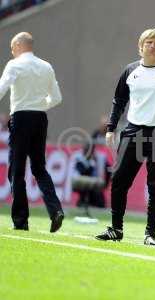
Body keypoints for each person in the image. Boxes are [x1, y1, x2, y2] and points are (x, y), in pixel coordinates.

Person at [95, 28, 155, 246]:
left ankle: (150, 234)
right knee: (118, 180)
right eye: (149, 42)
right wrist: (111, 127)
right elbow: (119, 100)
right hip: (133, 131)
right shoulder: (130, 71)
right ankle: (116, 229)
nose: (153, 45)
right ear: (141, 46)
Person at [0, 32, 64, 232]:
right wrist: (39, 105)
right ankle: (55, 210)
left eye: (12, 47)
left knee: (17, 170)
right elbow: (56, 98)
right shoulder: (46, 66)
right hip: (40, 118)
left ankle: (21, 221)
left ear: (19, 45)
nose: (12, 52)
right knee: (39, 167)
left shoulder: (14, 64)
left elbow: (1, 88)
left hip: (20, 117)